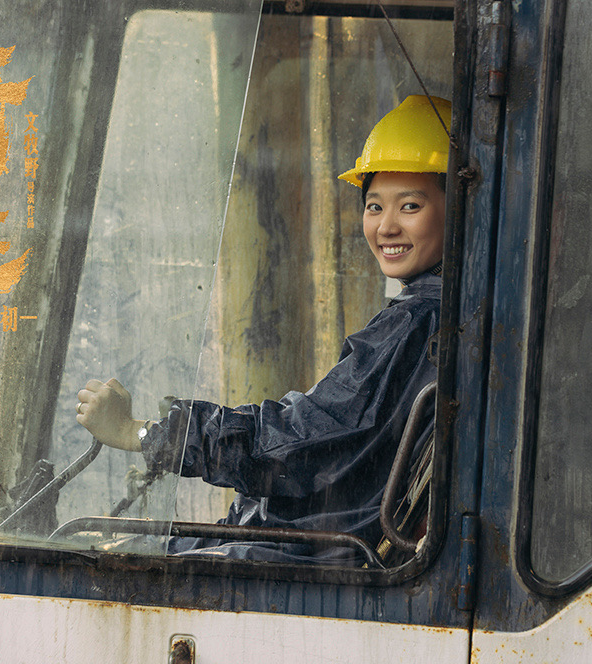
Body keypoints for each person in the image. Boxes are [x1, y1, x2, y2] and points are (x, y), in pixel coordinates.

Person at [76, 95, 451, 564]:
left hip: (317, 559)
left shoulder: (419, 323)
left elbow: (298, 443)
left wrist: (144, 433)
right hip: (310, 541)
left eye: (410, 206)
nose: (386, 227)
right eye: (374, 206)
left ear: (458, 208)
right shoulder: (436, 314)